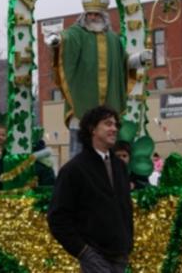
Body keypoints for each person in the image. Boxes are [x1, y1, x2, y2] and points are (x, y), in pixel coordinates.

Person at [44, 0, 152, 158]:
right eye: (89, 14)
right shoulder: (77, 34)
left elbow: (122, 66)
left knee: (106, 158)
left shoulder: (113, 39)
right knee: (79, 158)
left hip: (106, 109)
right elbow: (66, 39)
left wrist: (140, 59)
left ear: (104, 15)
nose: (92, 17)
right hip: (81, 108)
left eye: (96, 14)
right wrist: (56, 41)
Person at [47, 106, 133, 273]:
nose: (114, 129)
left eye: (115, 125)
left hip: (120, 257)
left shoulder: (120, 167)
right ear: (92, 129)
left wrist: (127, 244)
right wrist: (83, 252)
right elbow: (57, 218)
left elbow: (125, 208)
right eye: (108, 124)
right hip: (95, 257)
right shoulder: (74, 170)